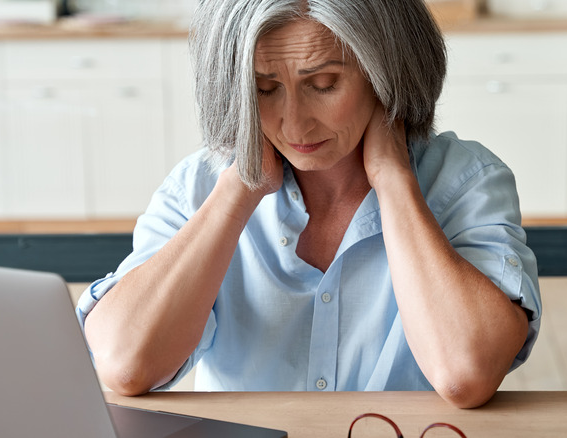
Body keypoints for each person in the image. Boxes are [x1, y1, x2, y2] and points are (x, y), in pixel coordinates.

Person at [76, 0, 541, 409]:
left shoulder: (464, 182)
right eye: (263, 89)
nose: (293, 122)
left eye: (323, 84)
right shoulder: (198, 188)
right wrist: (240, 190)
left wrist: (394, 181)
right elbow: (125, 365)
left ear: (387, 73)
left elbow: (466, 375)